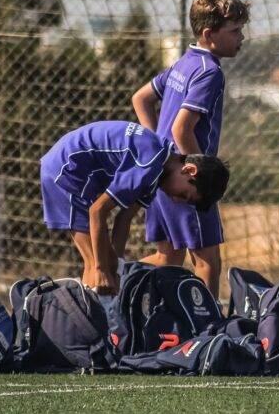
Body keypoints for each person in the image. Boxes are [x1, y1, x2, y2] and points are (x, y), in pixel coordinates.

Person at [130, 0, 249, 299]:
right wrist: (197, 175)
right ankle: (206, 333)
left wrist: (156, 149)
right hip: (187, 184)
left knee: (167, 258)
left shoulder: (184, 63)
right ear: (209, 34)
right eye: (235, 31)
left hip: (160, 176)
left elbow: (140, 98)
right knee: (207, 262)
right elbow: (183, 128)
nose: (242, 37)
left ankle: (110, 283)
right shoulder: (209, 72)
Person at [40, 121, 230, 295]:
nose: (175, 199)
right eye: (183, 195)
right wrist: (102, 269)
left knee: (110, 265)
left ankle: (102, 320)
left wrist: (118, 264)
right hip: (65, 172)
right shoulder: (149, 163)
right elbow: (97, 211)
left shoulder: (157, 171)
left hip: (77, 176)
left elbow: (125, 218)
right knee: (94, 265)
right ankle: (90, 324)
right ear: (189, 170)